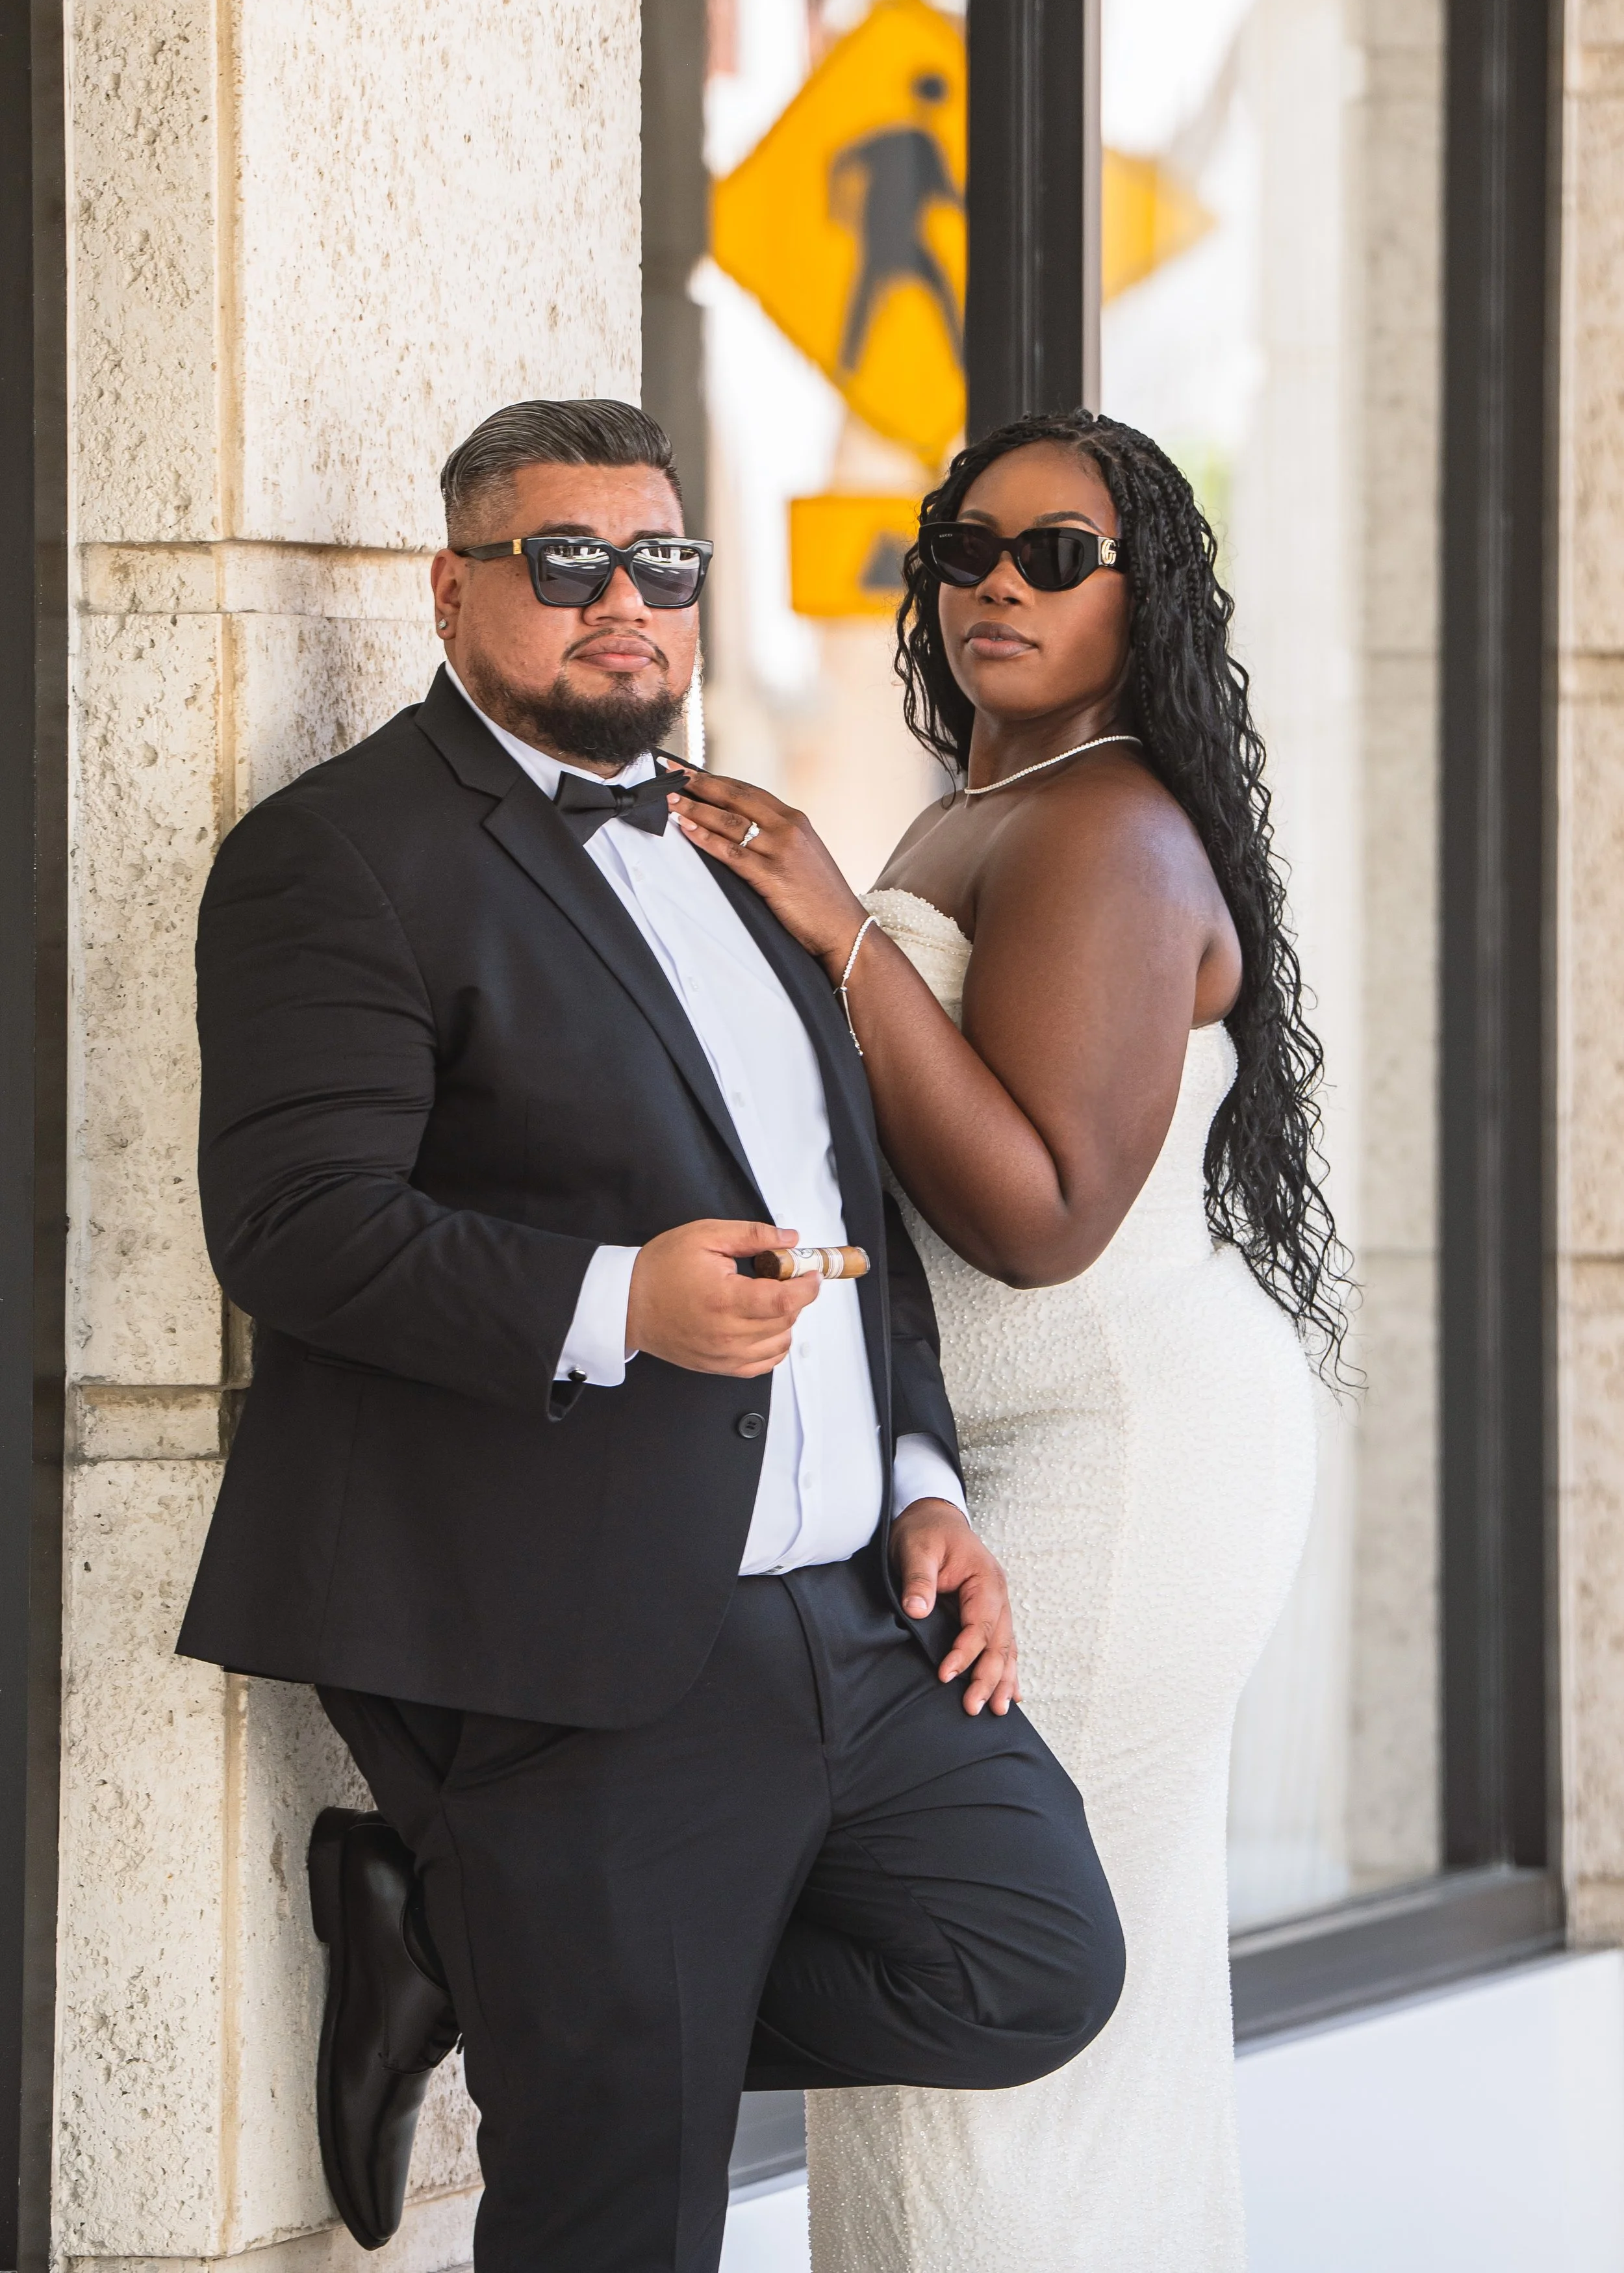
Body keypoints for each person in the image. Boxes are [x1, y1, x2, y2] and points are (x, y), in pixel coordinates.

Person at [174, 400, 1124, 2273]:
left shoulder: (740, 845)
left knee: (1032, 1957)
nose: (628, 603)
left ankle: (457, 1937)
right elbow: (289, 1227)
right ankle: (540, 1962)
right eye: (567, 563)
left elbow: (847, 1208)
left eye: (662, 564)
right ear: (454, 591)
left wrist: (920, 1480)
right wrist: (623, 1302)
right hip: (577, 1641)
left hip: (854, 1611)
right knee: (619, 2207)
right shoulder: (340, 858)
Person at [673, 407, 1341, 2272]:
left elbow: (1040, 1216)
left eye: (1057, 555)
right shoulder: (985, 803)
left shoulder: (1107, 831)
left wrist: (835, 929)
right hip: (1023, 1454)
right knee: (1023, 1984)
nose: (997, 585)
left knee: (967, 1948)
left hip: (1119, 1467)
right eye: (967, 547)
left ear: (1143, 599)